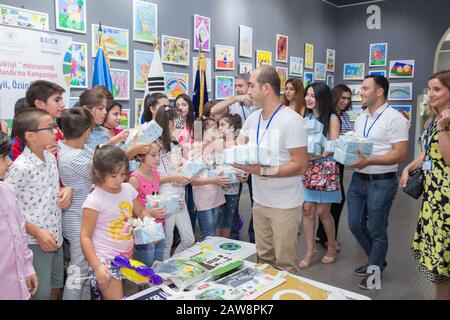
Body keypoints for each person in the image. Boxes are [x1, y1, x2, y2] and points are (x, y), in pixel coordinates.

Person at [234, 66, 308, 273]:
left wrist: (261, 171)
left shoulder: (292, 121)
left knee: (285, 264)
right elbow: (240, 146)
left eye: (251, 85)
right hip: (259, 202)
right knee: (264, 260)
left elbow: (301, 165)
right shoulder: (253, 118)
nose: (247, 91)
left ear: (266, 88)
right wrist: (238, 163)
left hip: (285, 206)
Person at [347, 75, 409, 290]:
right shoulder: (361, 117)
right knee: (354, 224)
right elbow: (356, 145)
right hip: (358, 180)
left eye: (365, 88)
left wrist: (370, 160)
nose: (360, 92)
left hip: (381, 182)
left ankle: (374, 271)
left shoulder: (395, 118)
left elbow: (401, 154)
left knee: (377, 230)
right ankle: (377, 259)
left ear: (379, 91)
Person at [5, 108, 73, 300]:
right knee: (38, 292)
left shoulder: (50, 158)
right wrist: (37, 232)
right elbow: (7, 212)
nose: (55, 132)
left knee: (55, 286)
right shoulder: (20, 167)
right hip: (34, 243)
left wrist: (67, 190)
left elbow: (49, 191)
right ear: (31, 136)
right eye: (50, 128)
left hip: (55, 238)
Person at [80, 145, 160, 300]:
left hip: (125, 255)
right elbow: (85, 237)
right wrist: (97, 267)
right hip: (105, 260)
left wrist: (151, 226)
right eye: (114, 175)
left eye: (123, 174)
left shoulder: (128, 189)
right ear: (98, 173)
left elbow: (141, 212)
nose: (120, 179)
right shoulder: (95, 199)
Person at [402, 70, 450, 299]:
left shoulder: (445, 122)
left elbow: (448, 158)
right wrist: (408, 167)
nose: (430, 94)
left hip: (447, 200)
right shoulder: (432, 119)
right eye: (430, 88)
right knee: (437, 261)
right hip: (433, 198)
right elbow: (427, 154)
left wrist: (443, 127)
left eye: (437, 89)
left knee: (444, 261)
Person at [300, 83, 341, 269]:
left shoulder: (332, 118)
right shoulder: (305, 116)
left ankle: (331, 246)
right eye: (307, 94)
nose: (308, 98)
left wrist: (317, 155)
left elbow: (333, 147)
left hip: (325, 169)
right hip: (308, 168)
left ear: (322, 98)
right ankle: (310, 251)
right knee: (307, 209)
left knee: (324, 212)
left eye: (313, 95)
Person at [211, 73, 256, 242]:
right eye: (235, 86)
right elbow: (214, 111)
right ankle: (233, 238)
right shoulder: (234, 104)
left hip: (251, 155)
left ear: (250, 86)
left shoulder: (257, 106)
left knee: (255, 201)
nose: (237, 88)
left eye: (241, 86)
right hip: (234, 156)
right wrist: (236, 97)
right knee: (231, 205)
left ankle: (254, 238)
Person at [57, 108, 94, 300]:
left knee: (84, 270)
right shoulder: (74, 158)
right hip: (77, 221)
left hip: (80, 218)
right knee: (77, 273)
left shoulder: (68, 148)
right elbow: (101, 174)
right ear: (87, 131)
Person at [0, 133, 38, 300]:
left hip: (16, 284)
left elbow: (20, 233)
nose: (10, 162)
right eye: (3, 157)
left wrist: (27, 268)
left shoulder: (7, 191)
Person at [316, 84, 353, 250]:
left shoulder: (344, 116)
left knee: (331, 202)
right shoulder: (330, 116)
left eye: (348, 98)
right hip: (329, 161)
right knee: (333, 201)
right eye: (342, 98)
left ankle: (324, 235)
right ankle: (327, 238)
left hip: (340, 160)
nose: (345, 102)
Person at [155, 106, 195, 259]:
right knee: (167, 240)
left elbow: (178, 167)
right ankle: (163, 273)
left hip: (179, 194)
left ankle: (171, 264)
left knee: (189, 239)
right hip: (166, 196)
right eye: (178, 120)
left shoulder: (175, 144)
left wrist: (187, 169)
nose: (180, 124)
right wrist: (174, 177)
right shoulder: (156, 146)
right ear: (169, 122)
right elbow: (152, 179)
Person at [129, 140, 167, 267]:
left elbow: (155, 197)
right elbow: (130, 210)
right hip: (144, 233)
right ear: (140, 156)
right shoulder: (134, 179)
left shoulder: (155, 173)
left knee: (157, 267)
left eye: (158, 154)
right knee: (144, 272)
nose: (157, 158)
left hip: (160, 227)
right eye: (153, 155)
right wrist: (148, 212)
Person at [191, 118, 228, 240]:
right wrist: (213, 181)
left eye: (216, 128)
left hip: (216, 196)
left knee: (213, 231)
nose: (217, 131)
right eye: (213, 129)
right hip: (204, 198)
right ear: (203, 132)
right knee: (208, 233)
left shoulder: (217, 149)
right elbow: (192, 180)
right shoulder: (196, 150)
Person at [12, 81, 65, 160]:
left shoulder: (56, 129)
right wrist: (43, 157)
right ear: (40, 104)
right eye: (57, 100)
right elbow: (22, 168)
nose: (62, 104)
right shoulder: (27, 136)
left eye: (61, 100)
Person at [217, 114, 249, 238]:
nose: (219, 128)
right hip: (218, 188)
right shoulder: (217, 144)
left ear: (232, 128)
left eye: (222, 125)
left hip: (233, 190)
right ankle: (216, 244)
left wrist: (245, 174)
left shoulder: (239, 146)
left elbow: (244, 165)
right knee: (218, 219)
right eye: (218, 125)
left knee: (229, 219)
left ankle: (224, 244)